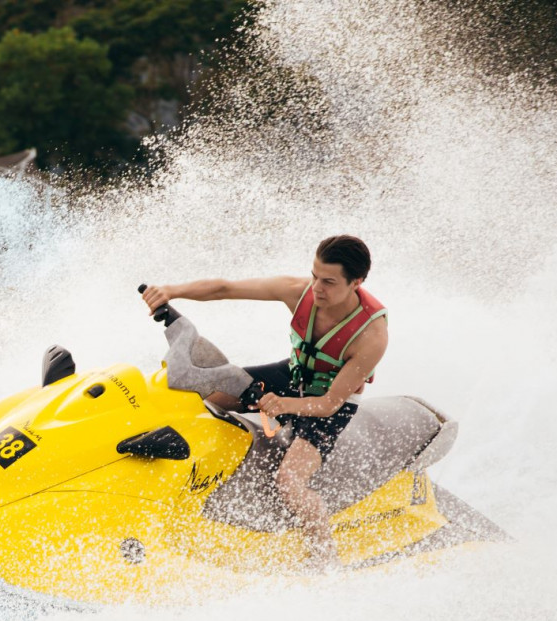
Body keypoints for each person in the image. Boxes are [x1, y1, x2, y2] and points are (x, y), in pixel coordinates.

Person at [140, 235, 388, 568]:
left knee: (290, 482)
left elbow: (329, 403)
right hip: (293, 376)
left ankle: (326, 562)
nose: (316, 288)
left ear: (356, 282)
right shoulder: (297, 291)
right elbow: (225, 288)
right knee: (202, 397)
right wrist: (170, 291)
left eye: (328, 282)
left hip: (330, 404)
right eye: (314, 275)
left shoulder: (372, 336)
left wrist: (283, 405)